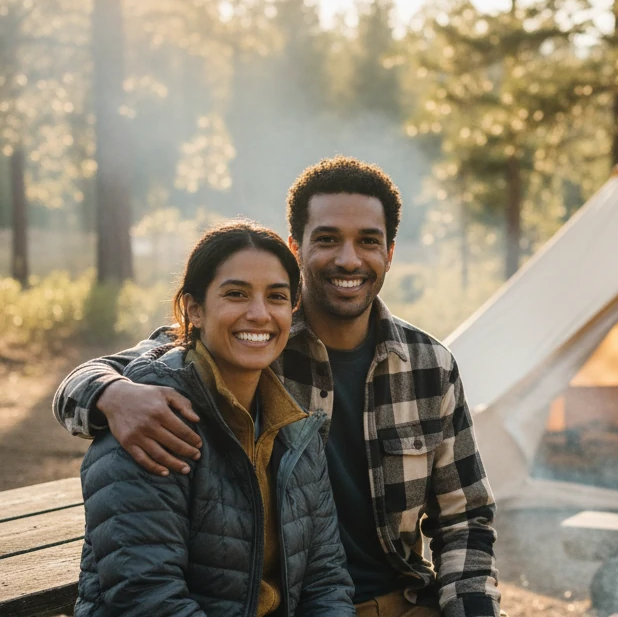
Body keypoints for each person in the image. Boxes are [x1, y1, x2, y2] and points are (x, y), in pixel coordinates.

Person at [56, 157, 502, 617]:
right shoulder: (251, 341)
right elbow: (110, 372)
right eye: (327, 239)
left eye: (368, 241)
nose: (348, 259)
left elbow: (466, 517)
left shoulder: (429, 365)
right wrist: (110, 395)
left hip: (401, 601)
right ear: (296, 246)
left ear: (389, 252)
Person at [73, 220, 355, 617]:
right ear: (194, 309)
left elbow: (327, 581)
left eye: (276, 297)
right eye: (236, 294)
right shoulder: (150, 418)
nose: (259, 314)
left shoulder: (297, 428)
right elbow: (147, 595)